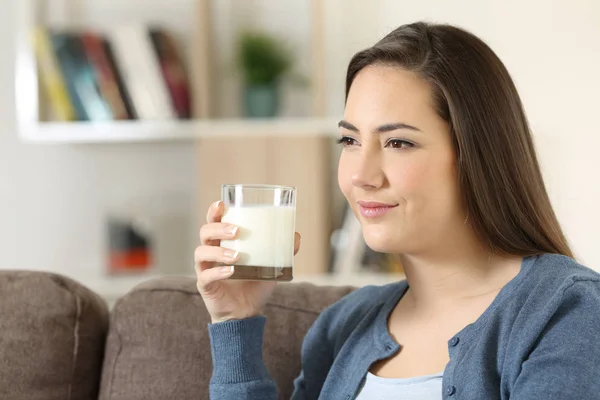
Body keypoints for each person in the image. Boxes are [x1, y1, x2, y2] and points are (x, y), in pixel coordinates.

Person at [194, 21, 600, 399]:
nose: (361, 176)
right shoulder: (343, 326)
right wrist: (235, 320)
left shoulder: (566, 313)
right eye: (349, 141)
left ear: (476, 155)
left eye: (398, 143)